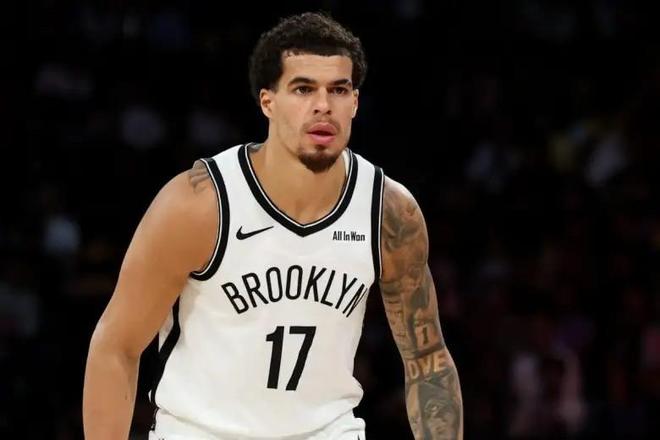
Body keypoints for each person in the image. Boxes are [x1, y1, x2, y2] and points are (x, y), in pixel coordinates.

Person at [82, 11, 463, 440]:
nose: (323, 105)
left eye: (338, 89)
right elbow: (116, 347)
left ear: (355, 102)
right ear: (268, 101)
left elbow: (427, 359)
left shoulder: (388, 211)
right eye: (303, 89)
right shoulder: (200, 204)